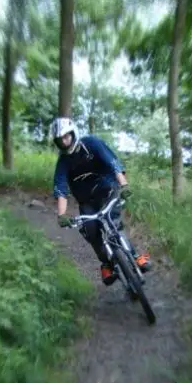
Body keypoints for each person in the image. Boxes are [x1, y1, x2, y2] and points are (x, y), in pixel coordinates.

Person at [51, 116, 151, 285]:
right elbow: (61, 189)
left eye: (66, 136)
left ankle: (135, 256)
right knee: (91, 233)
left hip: (107, 191)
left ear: (73, 133)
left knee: (114, 224)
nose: (64, 141)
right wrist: (62, 215)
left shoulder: (92, 143)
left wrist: (124, 185)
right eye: (60, 139)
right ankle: (106, 264)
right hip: (86, 202)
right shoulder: (63, 162)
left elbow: (113, 163)